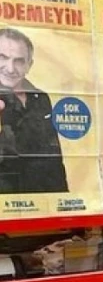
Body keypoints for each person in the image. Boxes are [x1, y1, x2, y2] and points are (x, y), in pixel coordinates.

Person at [0, 27, 68, 194]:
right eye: (3, 58)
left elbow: (55, 157)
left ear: (29, 65)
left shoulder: (41, 98)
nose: (10, 68)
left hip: (45, 201)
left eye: (19, 61)